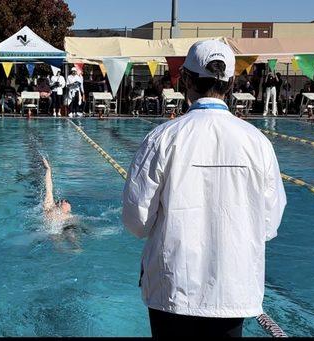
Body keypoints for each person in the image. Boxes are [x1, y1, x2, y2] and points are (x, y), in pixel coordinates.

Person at [121, 39, 287, 338]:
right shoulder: (258, 143)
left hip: (171, 290)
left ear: (184, 79)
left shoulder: (162, 139)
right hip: (233, 290)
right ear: (233, 82)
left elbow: (137, 222)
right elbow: (268, 224)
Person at [41, 156, 72, 224]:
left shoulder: (70, 217)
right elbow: (49, 188)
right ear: (56, 204)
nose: (64, 200)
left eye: (66, 201)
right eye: (64, 201)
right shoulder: (49, 207)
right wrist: (48, 169)